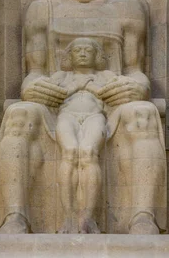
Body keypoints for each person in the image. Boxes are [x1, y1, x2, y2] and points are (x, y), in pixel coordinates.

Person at [0, 0, 166, 234]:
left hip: (107, 102)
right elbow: (34, 73)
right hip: (56, 102)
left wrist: (137, 88)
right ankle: (15, 216)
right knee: (19, 115)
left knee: (143, 113)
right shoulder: (42, 8)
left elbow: (136, 72)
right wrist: (33, 88)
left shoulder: (127, 8)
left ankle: (142, 216)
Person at [49, 37, 115, 233]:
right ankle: (68, 216)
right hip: (67, 116)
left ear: (97, 56)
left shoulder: (106, 75)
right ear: (70, 55)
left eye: (88, 50)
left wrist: (90, 86)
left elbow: (114, 93)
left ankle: (88, 216)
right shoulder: (61, 76)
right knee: (69, 151)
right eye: (78, 50)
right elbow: (49, 94)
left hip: (95, 116)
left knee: (88, 152)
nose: (83, 54)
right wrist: (77, 86)